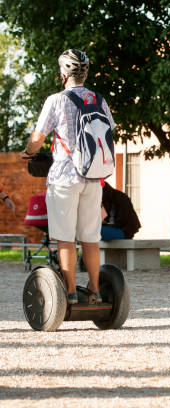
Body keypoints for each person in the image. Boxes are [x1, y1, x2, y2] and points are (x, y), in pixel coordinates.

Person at [22, 49, 115, 305]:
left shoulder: (56, 100)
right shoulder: (98, 99)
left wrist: (27, 152)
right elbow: (110, 131)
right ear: (85, 72)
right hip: (93, 177)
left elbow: (38, 138)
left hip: (64, 177)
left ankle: (71, 293)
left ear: (62, 74)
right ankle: (95, 292)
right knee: (90, 239)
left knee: (66, 238)